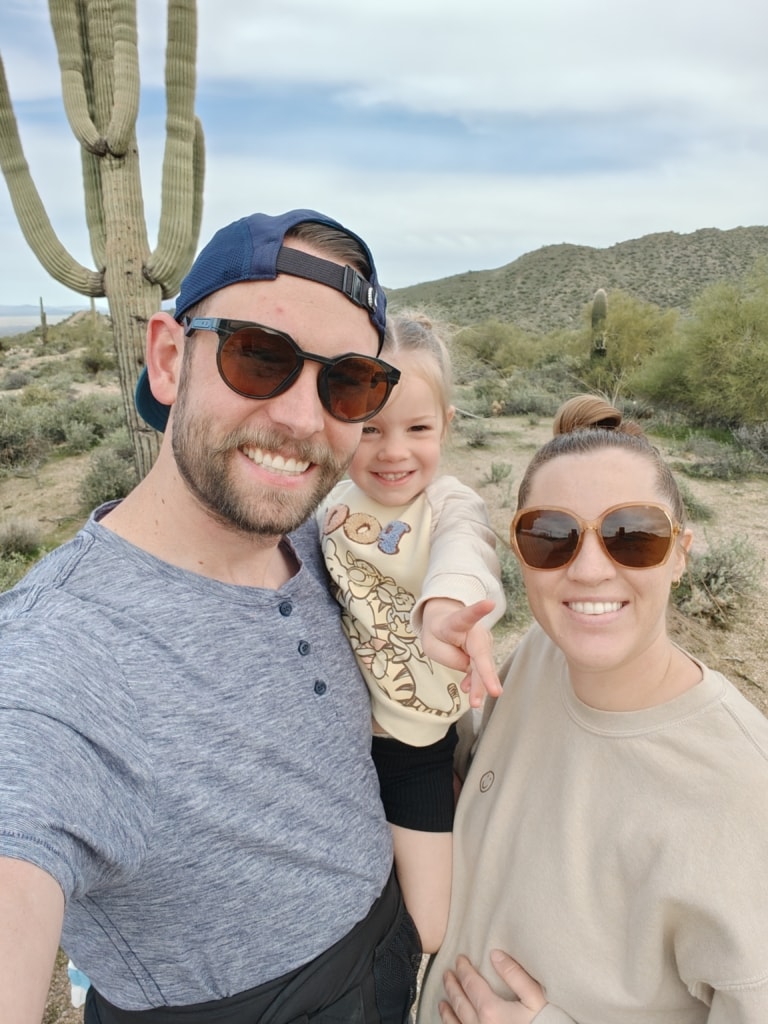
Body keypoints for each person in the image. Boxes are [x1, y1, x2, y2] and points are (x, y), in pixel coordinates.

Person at [0, 208, 439, 1024]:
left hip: (392, 965)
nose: (305, 420)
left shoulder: (321, 542)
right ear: (170, 360)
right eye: (259, 357)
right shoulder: (54, 664)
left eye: (347, 383)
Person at [418, 395, 768, 1024]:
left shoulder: (745, 789)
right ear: (519, 555)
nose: (587, 569)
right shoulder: (533, 659)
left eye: (632, 536)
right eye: (551, 536)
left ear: (682, 552)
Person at [317, 311, 506, 952]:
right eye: (369, 429)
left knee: (429, 930)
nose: (393, 451)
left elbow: (466, 549)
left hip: (414, 751)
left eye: (417, 428)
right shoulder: (326, 507)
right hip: (333, 745)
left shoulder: (448, 504)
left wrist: (443, 608)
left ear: (445, 427)